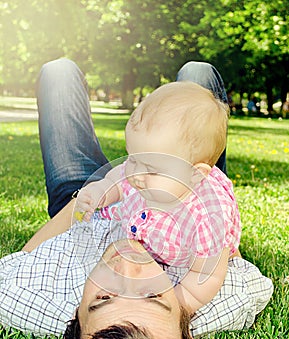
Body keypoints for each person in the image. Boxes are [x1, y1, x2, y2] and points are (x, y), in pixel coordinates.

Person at [0, 59, 273, 339]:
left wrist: (86, 201)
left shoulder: (49, 300)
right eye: (153, 296)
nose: (128, 265)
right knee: (197, 79)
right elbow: (242, 283)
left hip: (98, 196)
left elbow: (18, 266)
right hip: (175, 179)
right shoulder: (202, 249)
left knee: (56, 71)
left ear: (73, 316)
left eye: (104, 296)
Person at [75, 81, 241, 310]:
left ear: (195, 175)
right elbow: (117, 178)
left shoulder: (208, 218)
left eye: (151, 168)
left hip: (188, 259)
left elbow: (206, 277)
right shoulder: (145, 170)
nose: (136, 173)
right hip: (148, 242)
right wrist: (101, 190)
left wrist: (177, 308)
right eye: (132, 158)